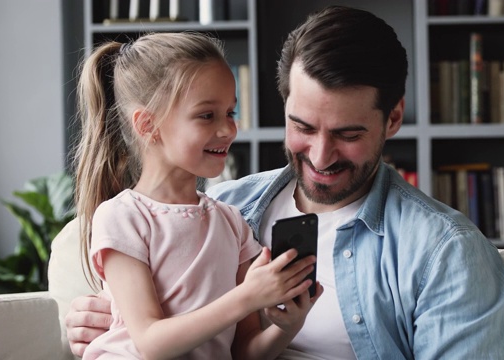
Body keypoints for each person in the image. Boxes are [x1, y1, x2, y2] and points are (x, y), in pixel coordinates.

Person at [60, 6, 504, 359]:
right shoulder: (229, 207)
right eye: (303, 127)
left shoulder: (446, 253)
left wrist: (284, 324)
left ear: (393, 118)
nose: (320, 156)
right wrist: (93, 315)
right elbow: (147, 319)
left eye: (348, 134)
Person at [72, 31, 322, 359]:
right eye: (207, 115)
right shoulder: (122, 217)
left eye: (230, 113)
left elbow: (244, 352)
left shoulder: (232, 223)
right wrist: (247, 297)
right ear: (148, 125)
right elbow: (150, 342)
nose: (228, 129)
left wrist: (287, 327)